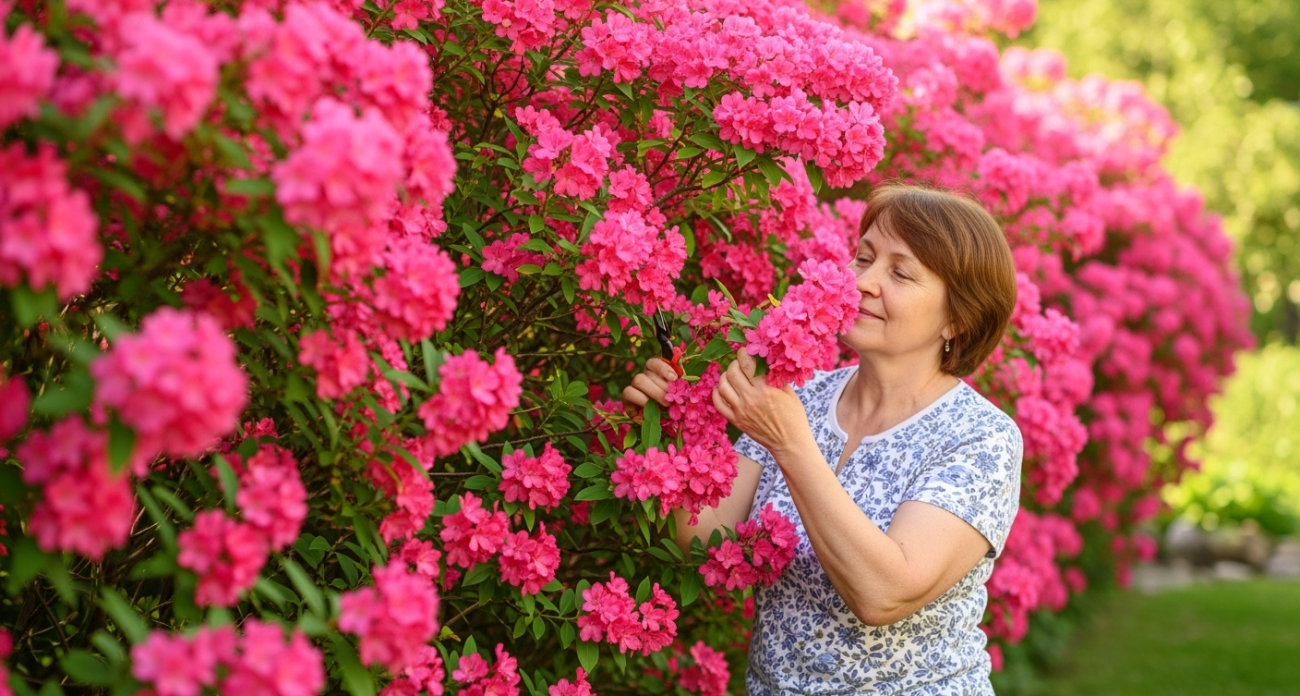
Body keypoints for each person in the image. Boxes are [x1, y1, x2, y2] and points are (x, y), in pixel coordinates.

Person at [622, 184, 1024, 695]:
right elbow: (704, 539)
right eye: (864, 258)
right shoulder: (802, 394)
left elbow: (883, 594)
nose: (864, 282)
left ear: (957, 319)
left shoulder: (980, 437)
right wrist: (665, 441)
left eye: (900, 273)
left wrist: (791, 445)